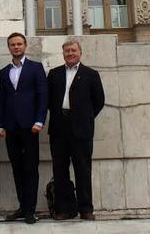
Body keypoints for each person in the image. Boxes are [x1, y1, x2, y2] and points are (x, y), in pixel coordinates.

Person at [46, 37, 105, 221]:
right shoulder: (54, 74)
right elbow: (48, 100)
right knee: (60, 169)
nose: (70, 54)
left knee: (83, 169)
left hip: (81, 129)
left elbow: (99, 101)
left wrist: (84, 118)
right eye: (67, 51)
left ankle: (86, 209)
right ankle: (64, 209)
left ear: (80, 53)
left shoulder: (91, 74)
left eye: (73, 51)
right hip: (58, 128)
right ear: (63, 54)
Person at [0, 32, 48, 225]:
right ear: (9, 47)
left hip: (30, 127)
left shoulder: (36, 68)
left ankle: (30, 210)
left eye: (19, 44)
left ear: (25, 46)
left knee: (30, 168)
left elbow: (43, 96)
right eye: (12, 45)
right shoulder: (3, 71)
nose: (16, 47)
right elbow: (0, 100)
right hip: (10, 128)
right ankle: (22, 206)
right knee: (17, 168)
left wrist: (39, 121)